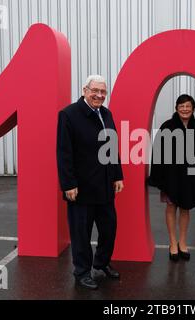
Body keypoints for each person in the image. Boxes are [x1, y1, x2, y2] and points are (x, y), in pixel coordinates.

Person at [56, 75, 124, 290]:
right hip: (81, 188)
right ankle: (82, 271)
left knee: (109, 228)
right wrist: (68, 184)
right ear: (85, 90)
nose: (99, 95)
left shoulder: (106, 113)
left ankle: (101, 263)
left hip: (104, 185)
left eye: (103, 92)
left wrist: (118, 175)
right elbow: (64, 152)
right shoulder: (69, 115)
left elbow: (112, 147)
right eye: (95, 90)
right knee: (81, 233)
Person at [148, 94, 195, 262]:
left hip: (191, 178)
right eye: (181, 106)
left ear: (193, 108)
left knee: (185, 209)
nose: (185, 109)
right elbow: (158, 153)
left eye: (188, 106)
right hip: (171, 177)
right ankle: (172, 243)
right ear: (176, 108)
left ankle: (183, 242)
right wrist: (159, 177)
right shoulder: (167, 127)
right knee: (171, 208)